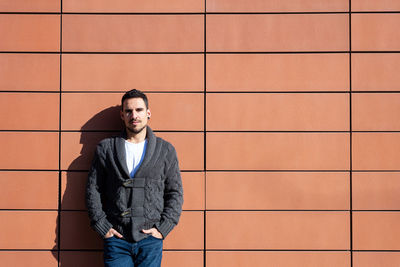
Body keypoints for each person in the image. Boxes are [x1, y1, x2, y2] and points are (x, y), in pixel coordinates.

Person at [86, 89, 183, 267]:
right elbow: (94, 189)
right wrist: (102, 226)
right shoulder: (106, 149)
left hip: (150, 240)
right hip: (117, 239)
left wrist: (163, 229)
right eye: (129, 111)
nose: (134, 115)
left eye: (139, 110)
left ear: (148, 113)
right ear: (122, 115)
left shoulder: (165, 150)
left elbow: (175, 192)